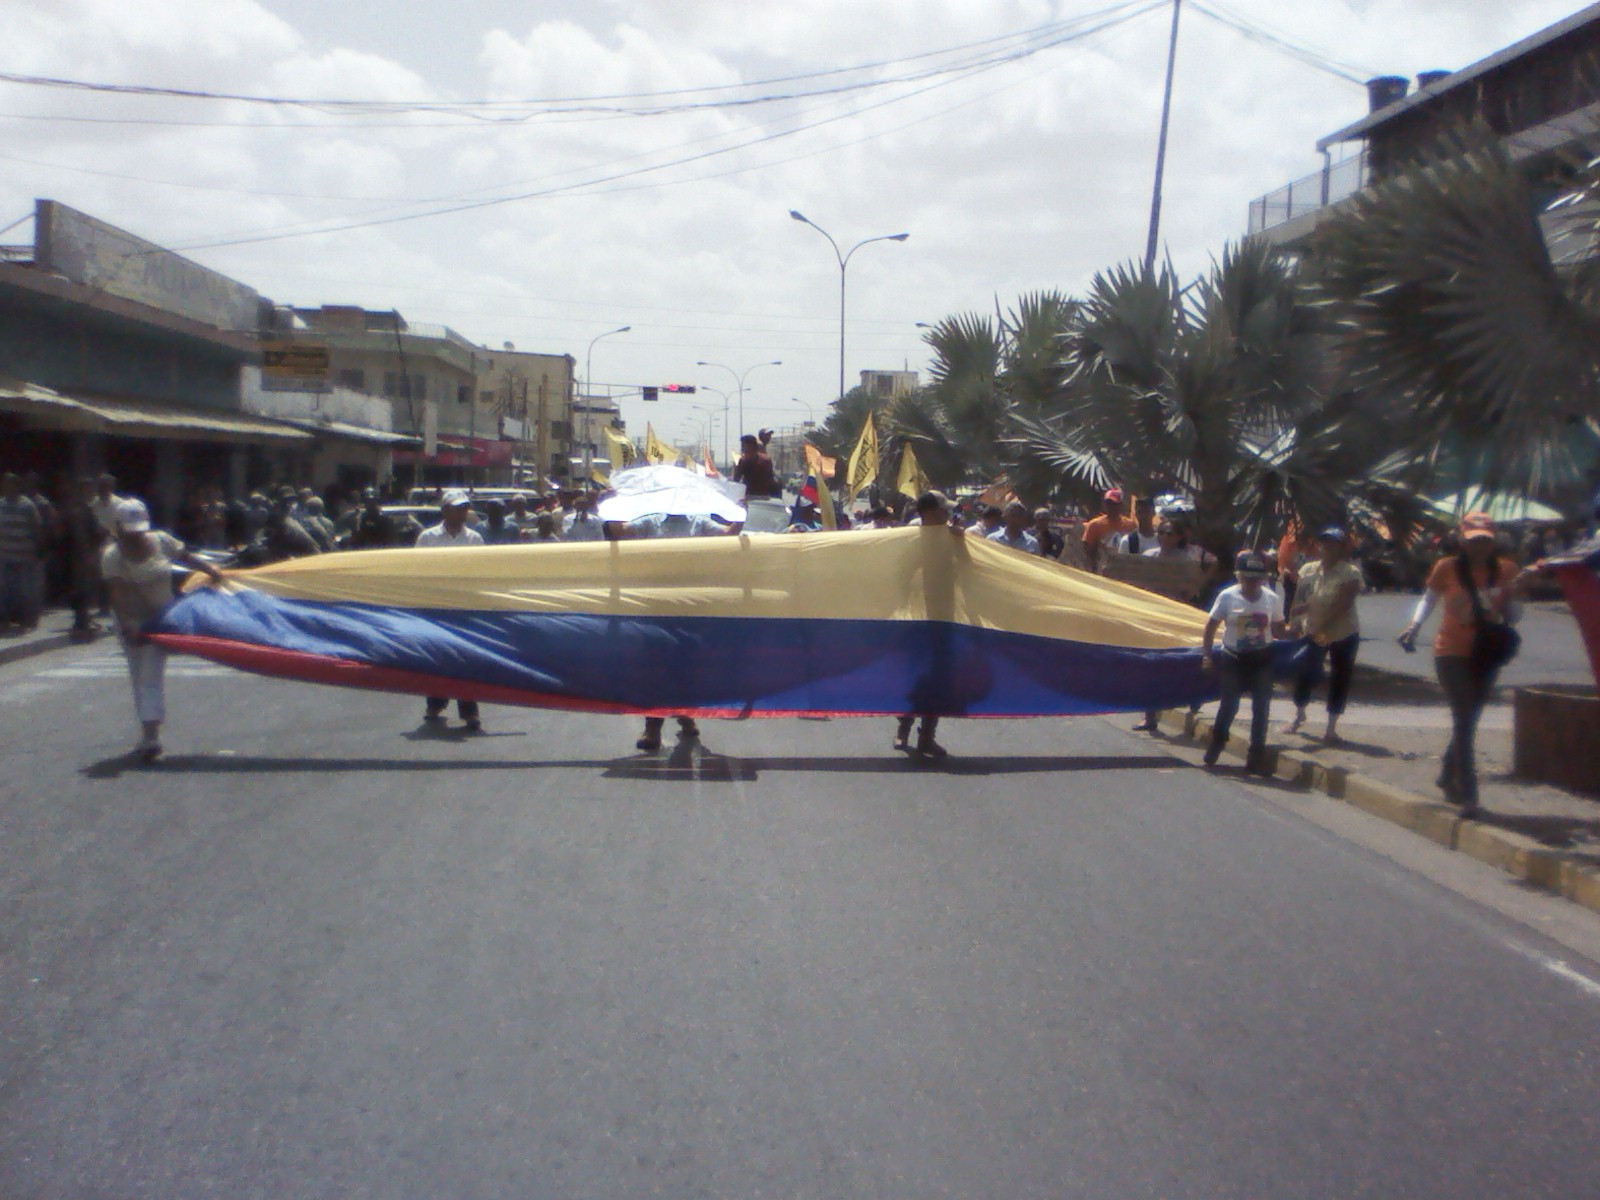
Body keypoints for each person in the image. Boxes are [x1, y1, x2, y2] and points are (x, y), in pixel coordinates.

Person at [1397, 513, 1525, 815]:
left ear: (1493, 541)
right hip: (1450, 651)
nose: (1478, 546)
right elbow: (1428, 600)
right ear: (1462, 540)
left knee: (1469, 719)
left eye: (1484, 540)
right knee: (1464, 715)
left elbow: (1516, 615)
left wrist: (1508, 596)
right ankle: (1468, 792)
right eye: (1473, 540)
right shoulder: (1447, 568)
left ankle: (1445, 772)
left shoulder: (1506, 570)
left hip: (1485, 652)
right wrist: (1414, 626)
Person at [101, 497, 223, 760]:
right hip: (131, 620)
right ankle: (149, 733)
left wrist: (213, 572)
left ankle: (151, 736)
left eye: (139, 529)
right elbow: (117, 593)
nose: (136, 535)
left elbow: (188, 557)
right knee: (138, 675)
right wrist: (128, 627)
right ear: (119, 528)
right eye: (130, 530)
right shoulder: (112, 556)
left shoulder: (161, 541)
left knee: (150, 674)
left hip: (162, 619)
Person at [1201, 549, 1288, 774]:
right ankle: (1218, 741)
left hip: (1262, 658)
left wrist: (1294, 631)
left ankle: (1256, 753)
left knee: (1261, 707)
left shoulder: (1271, 599)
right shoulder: (1228, 596)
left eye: (1256, 578)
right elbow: (1211, 626)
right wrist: (1207, 656)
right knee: (1230, 704)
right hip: (1233, 657)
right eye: (1247, 578)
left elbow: (1278, 628)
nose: (1251, 583)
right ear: (1238, 576)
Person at [893, 490, 965, 760]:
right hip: (917, 617)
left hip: (945, 616)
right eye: (943, 509)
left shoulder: (954, 537)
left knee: (939, 678)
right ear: (929, 512)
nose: (948, 514)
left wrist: (961, 541)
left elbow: (967, 568)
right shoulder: (912, 539)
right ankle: (904, 725)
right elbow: (900, 575)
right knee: (918, 674)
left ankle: (927, 736)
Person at [416, 490, 486, 732]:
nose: (462, 512)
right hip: (437, 607)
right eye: (457, 508)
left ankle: (469, 712)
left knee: (466, 659)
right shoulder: (428, 538)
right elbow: (418, 573)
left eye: (465, 508)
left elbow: (481, 575)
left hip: (465, 608)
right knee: (438, 657)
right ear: (445, 510)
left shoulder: (475, 539)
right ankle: (435, 703)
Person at [1285, 526, 1364, 743]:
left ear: (1341, 548)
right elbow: (1300, 598)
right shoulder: (1308, 569)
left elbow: (1343, 605)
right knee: (1305, 669)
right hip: (1314, 630)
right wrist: (1293, 622)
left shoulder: (1350, 573)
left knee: (1340, 676)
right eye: (1324, 542)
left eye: (1333, 543)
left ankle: (1331, 727)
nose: (1327, 546)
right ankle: (1299, 714)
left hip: (1341, 632)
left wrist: (1320, 626)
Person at [0, 471, 44, 633]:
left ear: (17, 486)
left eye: (11, 484)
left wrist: (37, 551)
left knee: (24, 591)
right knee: (4, 590)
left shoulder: (27, 505)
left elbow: (37, 528)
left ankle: (26, 620)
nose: (7, 487)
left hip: (24, 556)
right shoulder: (1, 505)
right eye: (5, 484)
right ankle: (4, 621)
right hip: (4, 556)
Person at [1082, 488, 1135, 573]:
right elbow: (1088, 553)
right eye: (1108, 503)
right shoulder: (1094, 525)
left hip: (1124, 570)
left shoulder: (1130, 525)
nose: (1111, 507)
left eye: (1114, 504)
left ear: (1121, 505)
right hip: (1102, 569)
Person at [732, 433, 780, 499]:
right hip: (748, 496)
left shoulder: (765, 461)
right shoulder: (742, 461)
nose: (743, 449)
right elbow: (736, 480)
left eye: (746, 446)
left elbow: (770, 480)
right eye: (742, 446)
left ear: (754, 447)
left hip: (764, 497)